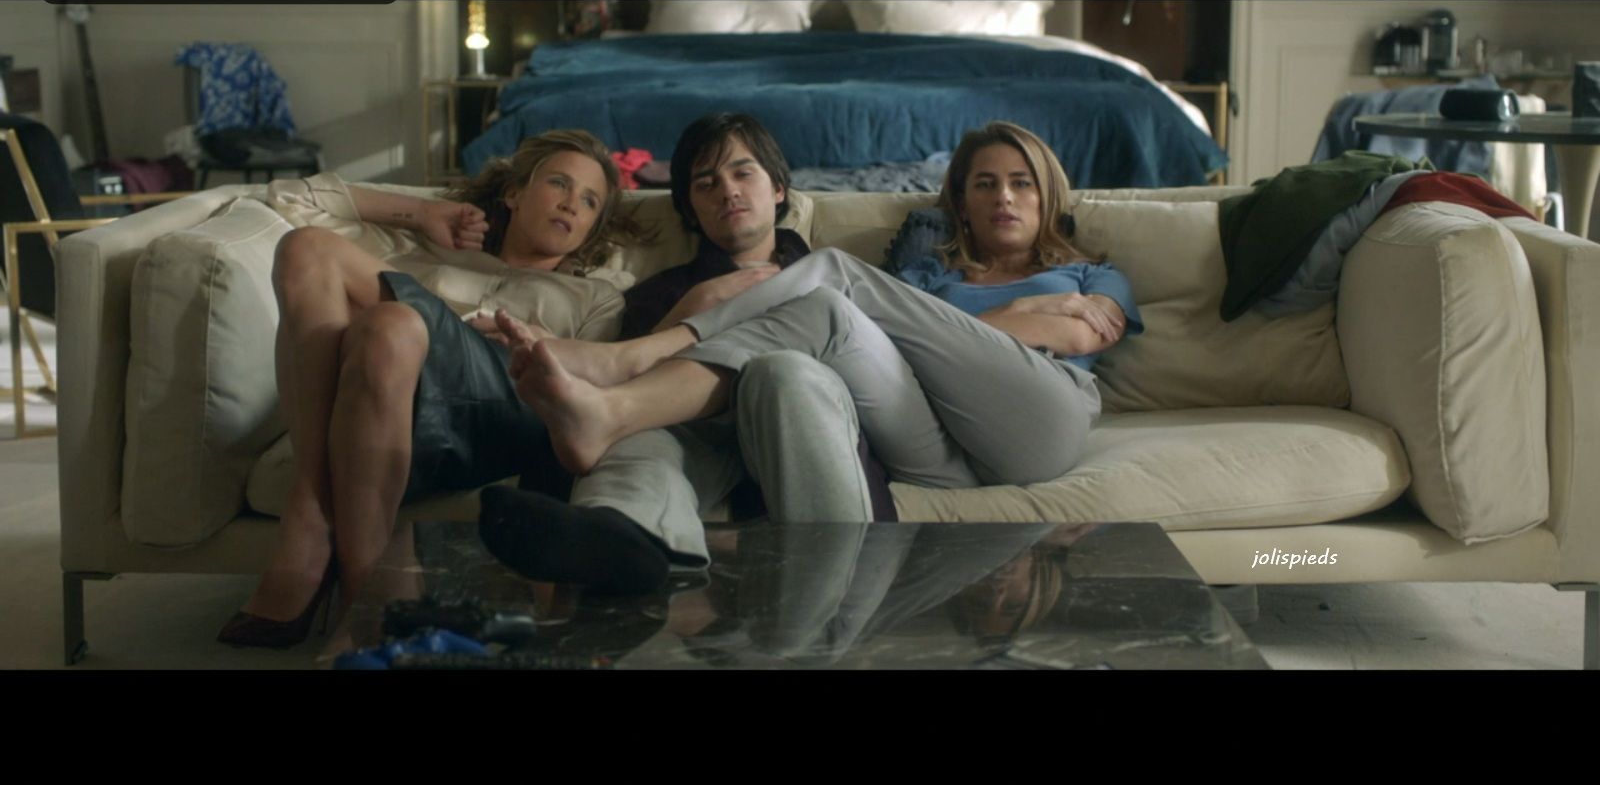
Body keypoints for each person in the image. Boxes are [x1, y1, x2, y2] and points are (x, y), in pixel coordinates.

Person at [499, 120, 1144, 568]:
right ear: (961, 201)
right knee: (828, 306)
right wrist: (1019, 313)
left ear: (1048, 194)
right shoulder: (928, 277)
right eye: (984, 184)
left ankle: (627, 368)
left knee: (836, 274)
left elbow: (1081, 330)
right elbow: (892, 343)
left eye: (1021, 182)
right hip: (939, 444)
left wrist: (1008, 313)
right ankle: (619, 457)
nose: (1003, 196)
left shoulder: (1092, 271)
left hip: (1038, 421)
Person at [219, 129, 629, 647]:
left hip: (504, 405)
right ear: (513, 193)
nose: (571, 203)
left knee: (389, 314)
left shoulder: (597, 296)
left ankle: (311, 513)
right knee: (359, 299)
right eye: (559, 184)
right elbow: (287, 197)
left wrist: (539, 342)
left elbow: (596, 387)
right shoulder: (427, 249)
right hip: (396, 400)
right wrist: (421, 213)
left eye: (589, 201)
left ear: (592, 228)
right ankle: (370, 599)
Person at [478, 113, 886, 596]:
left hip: (800, 415)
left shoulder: (837, 280)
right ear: (691, 208)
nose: (727, 191)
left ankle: (839, 605)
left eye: (743, 173)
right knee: (636, 442)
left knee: (784, 372)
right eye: (706, 184)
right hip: (699, 438)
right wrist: (686, 315)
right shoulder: (660, 295)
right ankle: (619, 548)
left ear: (779, 189)